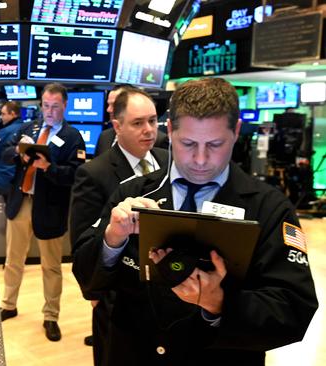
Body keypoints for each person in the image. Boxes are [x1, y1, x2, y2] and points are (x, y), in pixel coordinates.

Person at [72, 78, 318, 365]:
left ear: (236, 132)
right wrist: (111, 239)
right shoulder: (132, 193)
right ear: (171, 130)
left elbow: (294, 310)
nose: (200, 159)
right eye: (188, 143)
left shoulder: (268, 208)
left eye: (215, 144)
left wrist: (219, 303)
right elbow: (87, 278)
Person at [70, 88, 169, 363]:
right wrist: (95, 294)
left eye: (153, 120)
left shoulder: (169, 161)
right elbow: (82, 241)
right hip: (117, 298)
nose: (148, 130)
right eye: (138, 123)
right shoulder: (94, 173)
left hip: (163, 296)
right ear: (117, 126)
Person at [0, 82, 86, 342]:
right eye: (45, 106)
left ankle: (51, 317)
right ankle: (9, 304)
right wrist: (18, 152)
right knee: (13, 260)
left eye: (55, 107)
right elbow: (4, 155)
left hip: (49, 209)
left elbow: (76, 175)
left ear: (65, 106)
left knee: (51, 266)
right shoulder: (28, 129)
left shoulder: (73, 137)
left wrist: (49, 167)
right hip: (22, 202)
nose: (49, 111)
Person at [95, 85, 168, 155]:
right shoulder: (104, 137)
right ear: (117, 127)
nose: (108, 110)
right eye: (108, 104)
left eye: (115, 104)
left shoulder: (159, 141)